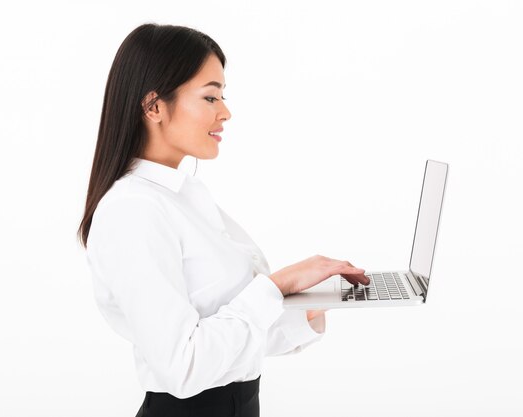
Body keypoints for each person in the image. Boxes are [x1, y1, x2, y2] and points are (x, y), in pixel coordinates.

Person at [77, 23, 369, 417]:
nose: (226, 112)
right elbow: (184, 366)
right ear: (154, 107)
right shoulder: (134, 210)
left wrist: (315, 303)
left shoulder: (185, 197)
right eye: (210, 96)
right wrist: (276, 285)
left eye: (222, 96)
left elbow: (234, 341)